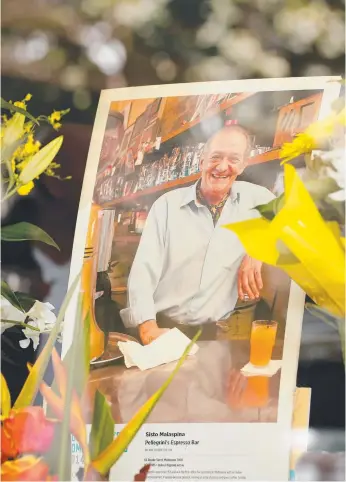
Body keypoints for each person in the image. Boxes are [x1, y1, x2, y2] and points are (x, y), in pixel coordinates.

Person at [120, 125, 275, 344]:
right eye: (215, 157)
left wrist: (258, 250)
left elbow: (292, 216)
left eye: (233, 159)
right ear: (202, 161)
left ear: (243, 165)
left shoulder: (256, 199)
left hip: (216, 334)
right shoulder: (166, 206)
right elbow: (143, 271)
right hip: (163, 327)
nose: (222, 166)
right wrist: (147, 326)